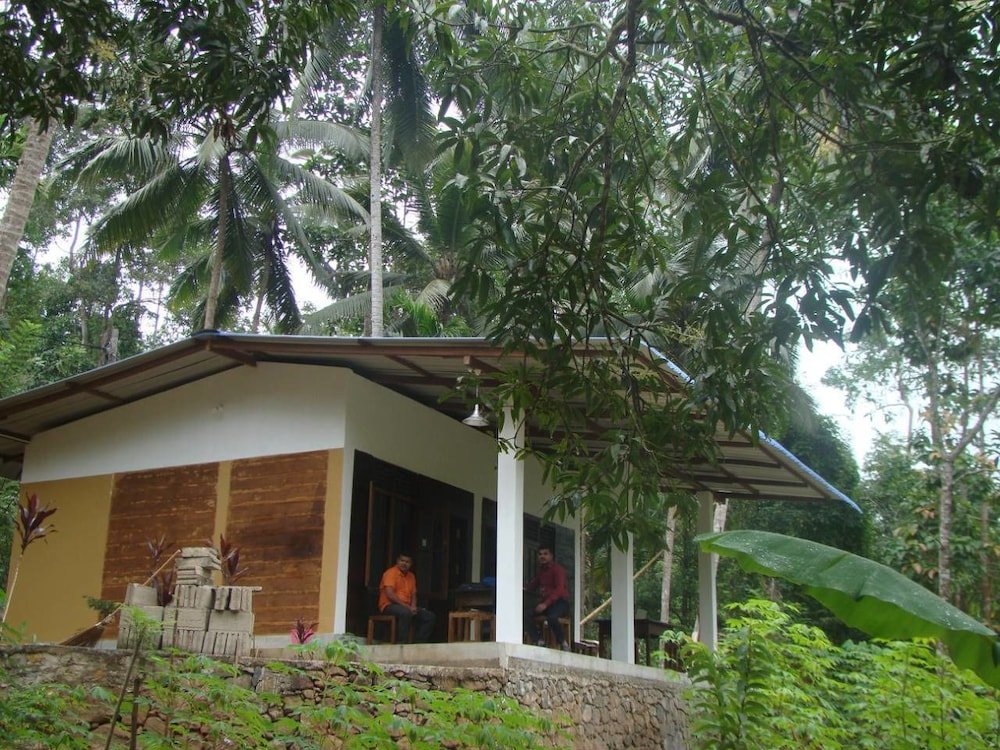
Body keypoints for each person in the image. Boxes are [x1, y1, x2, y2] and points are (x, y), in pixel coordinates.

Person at [378, 552, 436, 643]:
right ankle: (402, 643)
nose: (404, 563)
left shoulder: (411, 576)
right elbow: (390, 595)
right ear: (397, 561)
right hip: (389, 605)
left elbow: (413, 594)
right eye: (402, 561)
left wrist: (413, 606)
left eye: (407, 562)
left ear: (411, 564)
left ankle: (418, 643)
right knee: (405, 613)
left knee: (430, 617)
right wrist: (407, 607)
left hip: (407, 606)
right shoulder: (390, 573)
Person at [524, 546, 571, 651]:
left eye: (545, 554)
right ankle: (539, 641)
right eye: (540, 554)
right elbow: (532, 585)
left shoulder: (557, 569)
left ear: (551, 556)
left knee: (552, 617)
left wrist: (545, 604)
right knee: (526, 614)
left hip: (560, 602)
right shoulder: (541, 572)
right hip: (547, 604)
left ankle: (563, 643)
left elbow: (560, 589)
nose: (542, 556)